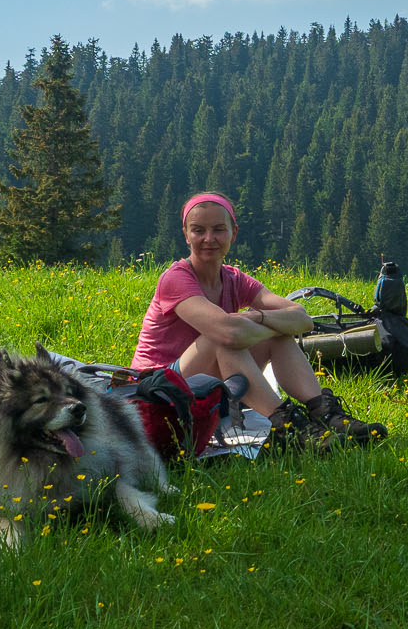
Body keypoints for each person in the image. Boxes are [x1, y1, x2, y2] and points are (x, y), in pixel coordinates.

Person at [132, 192, 386, 450]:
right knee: (221, 339)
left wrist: (258, 317)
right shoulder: (175, 279)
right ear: (186, 235)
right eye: (199, 230)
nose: (209, 239)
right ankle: (285, 425)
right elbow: (228, 334)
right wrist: (261, 325)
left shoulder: (233, 279)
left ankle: (325, 414)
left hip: (203, 391)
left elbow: (302, 318)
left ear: (234, 233)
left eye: (219, 229)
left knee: (277, 335)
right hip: (157, 394)